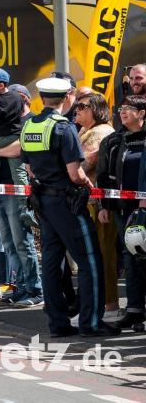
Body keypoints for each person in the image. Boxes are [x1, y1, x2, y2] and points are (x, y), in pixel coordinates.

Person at [21, 77, 118, 337]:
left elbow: (28, 167)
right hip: (67, 202)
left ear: (42, 98)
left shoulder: (29, 124)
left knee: (51, 263)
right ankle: (91, 323)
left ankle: (58, 324)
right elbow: (75, 173)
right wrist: (88, 185)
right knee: (90, 261)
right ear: (66, 99)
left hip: (42, 199)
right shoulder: (64, 128)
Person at [0, 73, 44, 308]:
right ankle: (20, 287)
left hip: (17, 188)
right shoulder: (6, 125)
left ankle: (35, 289)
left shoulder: (29, 123)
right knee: (8, 242)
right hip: (1, 187)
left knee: (22, 241)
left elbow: (19, 148)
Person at [98, 96, 146, 330]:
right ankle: (135, 311)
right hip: (123, 210)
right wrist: (104, 205)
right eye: (121, 108)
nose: (123, 112)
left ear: (142, 113)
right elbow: (104, 175)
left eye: (129, 109)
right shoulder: (114, 141)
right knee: (130, 258)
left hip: (144, 209)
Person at [74, 93, 118, 319]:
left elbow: (87, 161)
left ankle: (108, 305)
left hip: (98, 203)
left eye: (83, 106)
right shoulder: (85, 130)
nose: (77, 109)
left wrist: (65, 165)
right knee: (92, 255)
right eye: (77, 105)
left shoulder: (101, 132)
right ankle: (95, 306)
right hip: (89, 202)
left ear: (97, 109)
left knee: (102, 254)